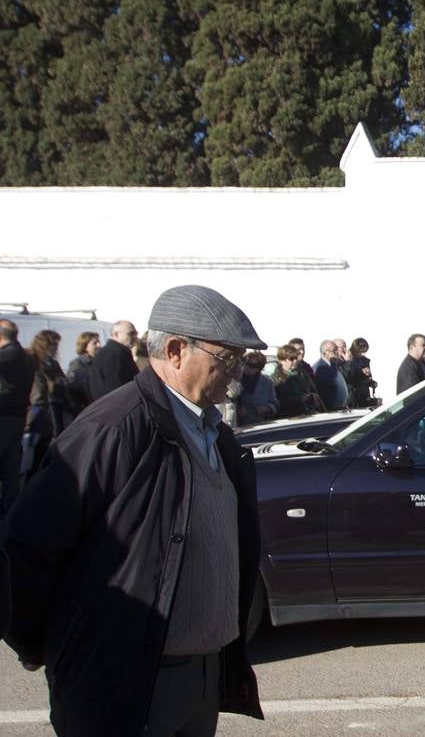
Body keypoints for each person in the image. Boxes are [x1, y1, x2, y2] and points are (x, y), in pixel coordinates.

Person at [0, 284, 266, 735]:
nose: (237, 374)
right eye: (228, 359)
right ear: (177, 350)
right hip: (126, 678)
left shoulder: (214, 432)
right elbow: (29, 547)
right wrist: (46, 643)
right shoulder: (115, 428)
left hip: (200, 675)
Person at [23, 330, 74, 480]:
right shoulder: (31, 360)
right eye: (53, 345)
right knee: (28, 456)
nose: (56, 348)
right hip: (35, 413)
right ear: (44, 344)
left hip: (51, 413)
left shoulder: (53, 363)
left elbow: (62, 382)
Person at [0, 319, 35, 520]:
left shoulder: (5, 357)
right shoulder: (26, 358)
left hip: (4, 417)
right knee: (11, 471)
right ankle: (10, 515)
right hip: (18, 418)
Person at [88, 319, 139, 400]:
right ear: (116, 334)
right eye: (131, 334)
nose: (135, 337)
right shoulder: (114, 354)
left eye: (136, 333)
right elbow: (117, 388)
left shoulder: (117, 352)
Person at [272, 344, 321, 418]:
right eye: (291, 359)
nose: (295, 362)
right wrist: (299, 399)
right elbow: (278, 402)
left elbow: (312, 390)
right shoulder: (275, 379)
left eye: (295, 358)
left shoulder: (303, 373)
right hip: (288, 418)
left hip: (307, 414)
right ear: (282, 360)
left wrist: (312, 396)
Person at [235, 351, 278, 426]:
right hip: (238, 425)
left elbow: (275, 404)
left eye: (251, 365)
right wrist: (237, 410)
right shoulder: (236, 380)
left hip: (258, 425)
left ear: (259, 368)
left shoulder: (267, 383)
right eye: (245, 363)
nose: (247, 367)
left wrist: (267, 408)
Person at [64, 331, 100, 414]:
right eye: (95, 343)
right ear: (85, 346)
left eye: (99, 342)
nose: (99, 345)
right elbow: (72, 390)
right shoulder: (77, 364)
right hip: (86, 409)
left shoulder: (99, 362)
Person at [312, 340, 348, 411]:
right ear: (326, 352)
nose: (337, 352)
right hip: (330, 410)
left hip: (340, 408)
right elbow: (323, 390)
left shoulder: (333, 364)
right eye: (334, 350)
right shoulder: (320, 367)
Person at [345, 337, 376, 408]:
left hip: (364, 392)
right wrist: (361, 372)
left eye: (364, 352)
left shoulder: (365, 360)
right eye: (360, 352)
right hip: (354, 393)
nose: (362, 354)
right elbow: (349, 375)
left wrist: (371, 382)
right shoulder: (349, 360)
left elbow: (368, 376)